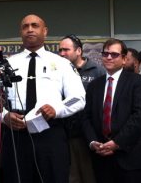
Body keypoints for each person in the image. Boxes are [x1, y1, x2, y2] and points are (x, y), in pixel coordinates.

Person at [0, 14, 86, 183]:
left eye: (35, 25)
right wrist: (4, 116)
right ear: (21, 32)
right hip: (16, 133)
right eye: (25, 26)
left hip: (50, 132)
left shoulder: (61, 63)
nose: (30, 29)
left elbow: (79, 97)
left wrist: (57, 109)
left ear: (45, 31)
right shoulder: (7, 64)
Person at [82, 38, 141, 183]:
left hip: (131, 158)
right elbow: (86, 118)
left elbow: (140, 115)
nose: (108, 57)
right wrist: (92, 142)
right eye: (105, 54)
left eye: (114, 54)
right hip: (102, 158)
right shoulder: (94, 85)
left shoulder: (138, 82)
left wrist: (117, 142)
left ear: (124, 59)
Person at [59, 34, 105, 183]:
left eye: (66, 50)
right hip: (64, 135)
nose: (62, 54)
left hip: (88, 136)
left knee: (90, 176)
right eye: (60, 50)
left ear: (78, 51)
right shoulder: (58, 72)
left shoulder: (97, 71)